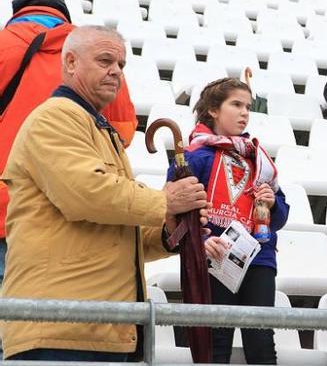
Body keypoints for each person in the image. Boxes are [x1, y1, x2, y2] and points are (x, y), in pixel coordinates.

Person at [0, 26, 208, 361]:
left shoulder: (93, 126)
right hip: (62, 328)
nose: (116, 71)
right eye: (105, 60)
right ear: (70, 63)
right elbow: (87, 194)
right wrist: (164, 201)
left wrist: (167, 232)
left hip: (95, 327)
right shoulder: (55, 118)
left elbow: (113, 231)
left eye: (122, 64)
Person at [0, 0, 138, 287]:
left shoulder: (2, 44)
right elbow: (123, 131)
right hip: (66, 220)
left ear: (17, 10)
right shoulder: (100, 57)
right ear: (62, 13)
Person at [180, 77, 288, 363]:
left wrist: (273, 203)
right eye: (236, 105)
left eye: (248, 107)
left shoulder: (259, 158)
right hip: (216, 255)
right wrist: (202, 240)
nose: (244, 113)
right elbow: (177, 210)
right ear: (213, 110)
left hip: (260, 256)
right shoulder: (195, 155)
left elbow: (282, 215)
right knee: (216, 342)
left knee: (262, 342)